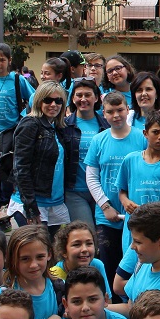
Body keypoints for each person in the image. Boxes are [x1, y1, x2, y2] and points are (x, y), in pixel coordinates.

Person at [83, 92, 147, 283]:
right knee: (110, 267)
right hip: (107, 217)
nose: (116, 115)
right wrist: (105, 206)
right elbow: (92, 178)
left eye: (120, 110)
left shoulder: (142, 137)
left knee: (135, 267)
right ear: (104, 113)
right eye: (110, 112)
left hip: (136, 214)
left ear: (128, 109)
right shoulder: (98, 140)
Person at [116, 111, 160, 251]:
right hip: (133, 225)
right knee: (131, 264)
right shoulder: (130, 160)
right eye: (156, 132)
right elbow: (122, 190)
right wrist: (125, 202)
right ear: (145, 133)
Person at [9, 81, 70, 232]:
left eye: (58, 101)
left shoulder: (57, 126)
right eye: (48, 100)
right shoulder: (30, 124)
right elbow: (21, 168)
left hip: (54, 202)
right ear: (38, 101)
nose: (53, 104)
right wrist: (30, 207)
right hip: (34, 203)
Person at [64, 79, 107, 229]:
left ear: (96, 98)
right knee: (87, 233)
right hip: (74, 192)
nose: (83, 99)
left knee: (103, 237)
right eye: (79, 95)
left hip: (102, 191)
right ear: (73, 98)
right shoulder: (64, 125)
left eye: (88, 95)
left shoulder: (107, 126)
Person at [49, 220, 111, 298]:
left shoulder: (97, 265)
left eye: (89, 243)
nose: (84, 249)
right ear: (64, 251)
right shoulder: (54, 275)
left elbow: (107, 301)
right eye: (77, 244)